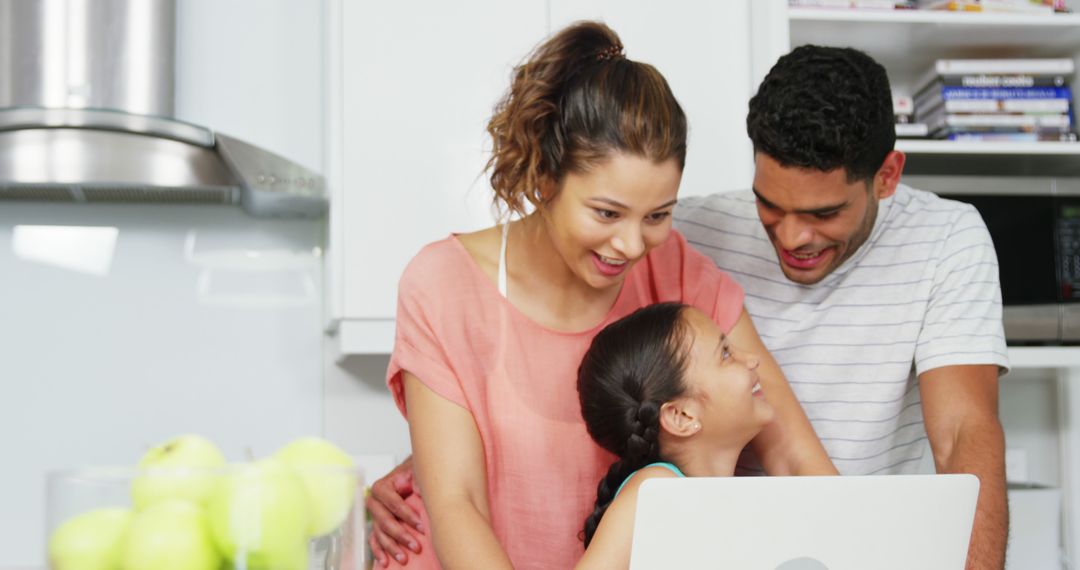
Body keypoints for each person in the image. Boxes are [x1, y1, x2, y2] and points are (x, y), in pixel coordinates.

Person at [374, 21, 835, 569]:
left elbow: (792, 458)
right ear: (545, 177)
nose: (633, 244)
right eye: (607, 213)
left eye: (658, 215)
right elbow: (459, 504)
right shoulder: (442, 284)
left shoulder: (678, 269)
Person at [673, 45, 1009, 569]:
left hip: (871, 548)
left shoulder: (948, 237)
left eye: (824, 212)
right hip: (719, 547)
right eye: (769, 203)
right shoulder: (691, 233)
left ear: (887, 176)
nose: (791, 236)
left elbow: (964, 431)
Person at [574, 302, 775, 570]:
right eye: (725, 354)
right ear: (681, 416)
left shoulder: (718, 503)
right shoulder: (658, 488)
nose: (752, 359)